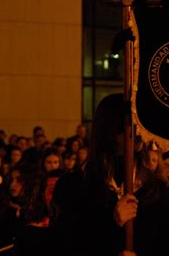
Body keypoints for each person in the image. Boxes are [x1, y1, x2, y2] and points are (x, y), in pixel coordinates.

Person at [52, 94, 138, 256]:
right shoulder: (73, 186)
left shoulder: (154, 188)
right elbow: (63, 243)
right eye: (131, 123)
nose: (139, 131)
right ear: (111, 127)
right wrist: (111, 223)